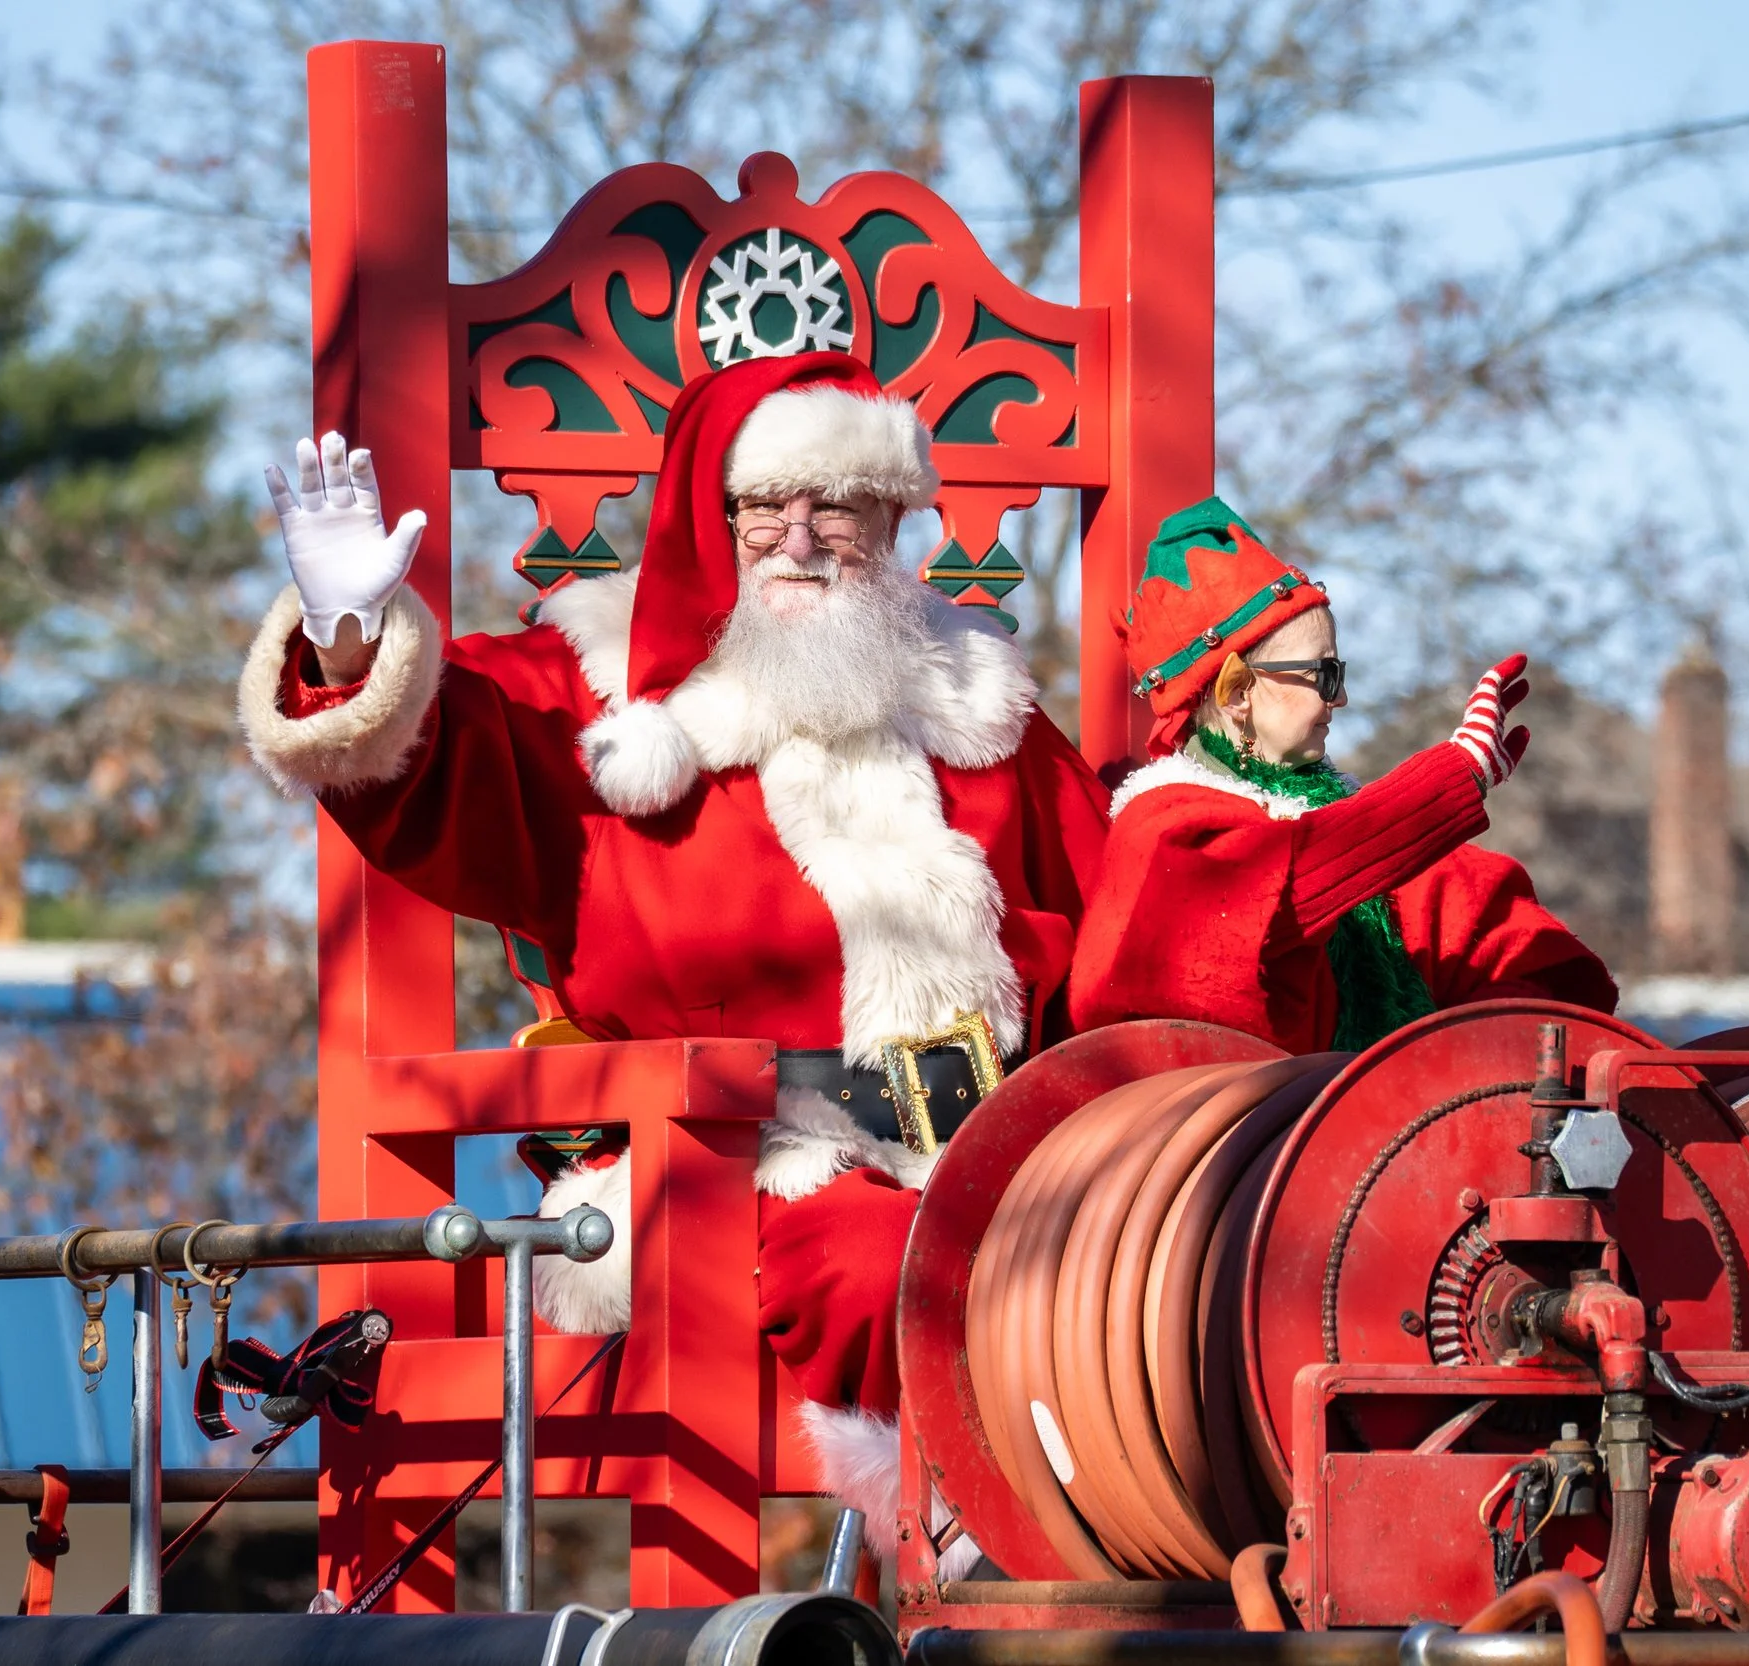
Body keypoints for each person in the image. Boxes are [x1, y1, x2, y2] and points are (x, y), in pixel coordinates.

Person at [237, 351, 1111, 1552]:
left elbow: (1121, 915)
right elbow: (432, 758)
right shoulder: (594, 695)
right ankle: (976, 1556)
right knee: (891, 1262)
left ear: (893, 519)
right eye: (767, 506)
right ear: (717, 514)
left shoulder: (981, 708)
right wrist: (351, 649)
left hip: (995, 1157)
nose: (799, 539)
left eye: (839, 507)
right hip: (723, 1174)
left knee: (1164, 1268)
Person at [1070, 497, 1615, 1054]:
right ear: (1237, 691)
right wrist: (1453, 776)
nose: (1342, 698)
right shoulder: (1163, 830)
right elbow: (1282, 881)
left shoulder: (1339, 830)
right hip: (1233, 1134)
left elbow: (1477, 917)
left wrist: (1512, 1045)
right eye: (1324, 676)